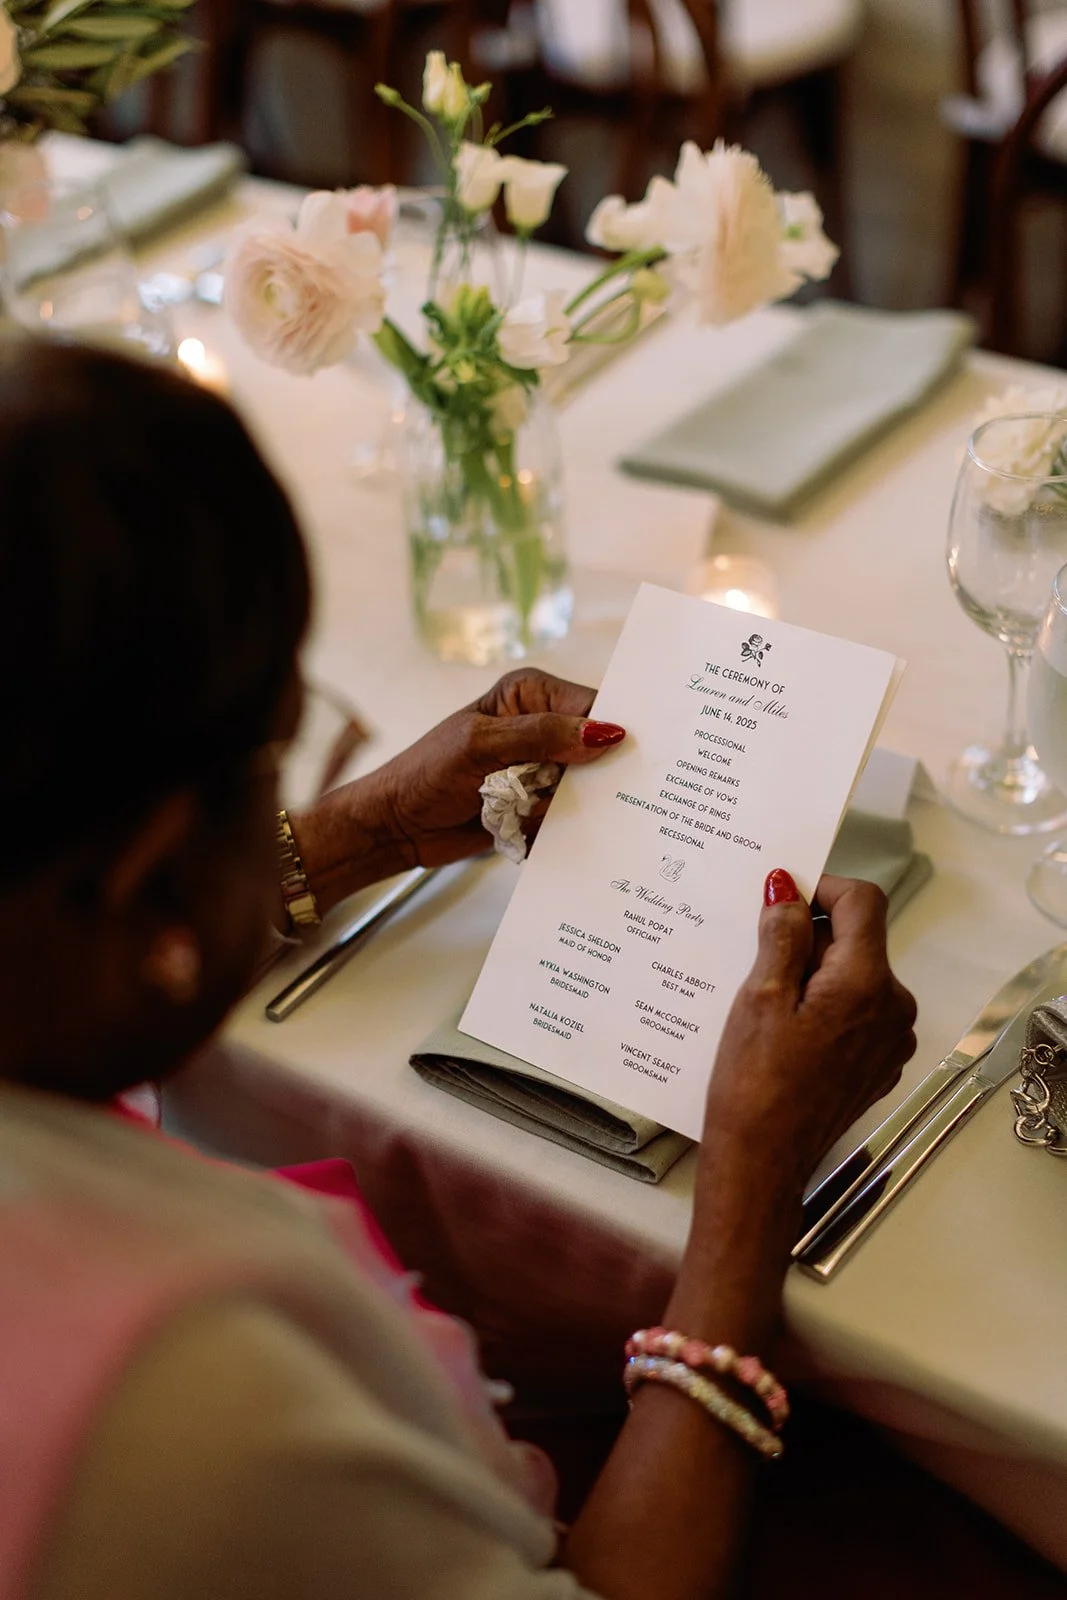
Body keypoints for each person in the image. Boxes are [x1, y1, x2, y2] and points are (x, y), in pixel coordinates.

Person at [0, 335, 923, 1600]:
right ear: (155, 861)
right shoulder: (180, 1381)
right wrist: (753, 1181)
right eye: (277, 755)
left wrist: (349, 832)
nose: (297, 783)